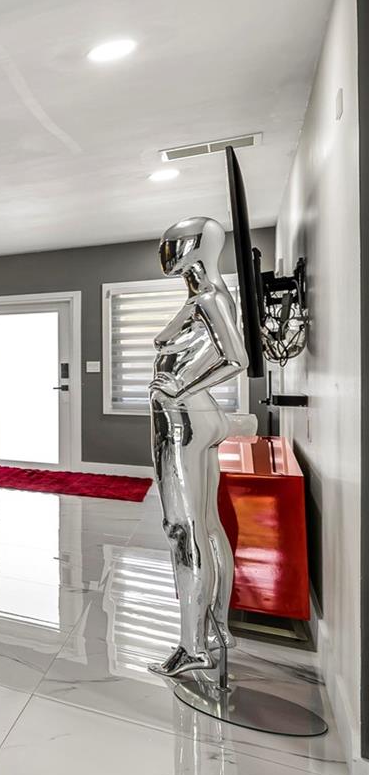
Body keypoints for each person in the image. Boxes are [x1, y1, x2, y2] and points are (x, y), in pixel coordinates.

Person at [147, 217, 250, 680]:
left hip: (182, 419)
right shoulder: (210, 295)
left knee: (182, 528)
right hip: (198, 416)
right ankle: (217, 629)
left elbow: (235, 358)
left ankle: (192, 646)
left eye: (174, 243)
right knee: (206, 524)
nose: (165, 251)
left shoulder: (208, 298)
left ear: (200, 245)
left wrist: (178, 389)